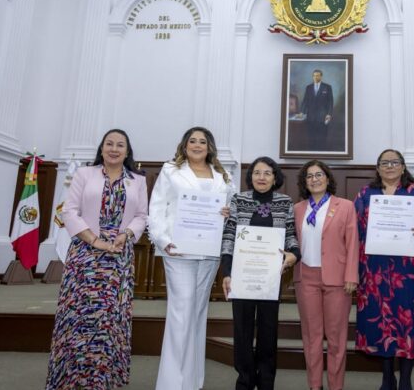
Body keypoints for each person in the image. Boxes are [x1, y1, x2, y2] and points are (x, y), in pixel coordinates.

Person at [46, 129, 148, 389]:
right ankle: (71, 378)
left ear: (127, 151)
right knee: (79, 316)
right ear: (102, 148)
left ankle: (103, 379)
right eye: (109, 144)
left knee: (109, 319)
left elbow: (141, 216)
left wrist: (126, 234)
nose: (114, 149)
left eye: (120, 145)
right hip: (85, 254)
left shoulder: (137, 180)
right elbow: (69, 211)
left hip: (118, 257)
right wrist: (94, 240)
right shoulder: (84, 174)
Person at [148, 127, 234, 390]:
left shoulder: (223, 175)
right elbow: (157, 206)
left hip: (208, 252)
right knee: (180, 312)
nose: (197, 145)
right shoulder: (170, 170)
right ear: (184, 145)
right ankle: (171, 384)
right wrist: (163, 240)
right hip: (178, 250)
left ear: (210, 147)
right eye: (192, 141)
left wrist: (227, 212)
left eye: (203, 141)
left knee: (197, 314)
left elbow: (230, 210)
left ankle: (193, 382)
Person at [354, 149, 414, 390]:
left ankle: (406, 379)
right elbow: (354, 228)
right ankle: (387, 376)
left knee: (408, 319)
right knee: (381, 320)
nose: (390, 166)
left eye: (395, 162)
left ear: (403, 167)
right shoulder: (365, 193)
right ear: (377, 168)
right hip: (374, 268)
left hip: (407, 268)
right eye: (384, 163)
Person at [220, 156, 302, 390]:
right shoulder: (239, 200)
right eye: (257, 172)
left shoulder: (284, 202)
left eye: (267, 173)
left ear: (275, 177)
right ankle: (244, 381)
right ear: (250, 176)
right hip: (241, 275)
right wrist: (227, 272)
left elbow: (290, 234)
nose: (262, 177)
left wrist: (294, 253)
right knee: (242, 331)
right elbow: (229, 236)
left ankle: (266, 382)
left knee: (268, 331)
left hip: (270, 277)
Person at [293, 160, 359, 390]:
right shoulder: (298, 208)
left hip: (338, 279)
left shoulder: (345, 206)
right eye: (309, 176)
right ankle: (314, 385)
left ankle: (335, 385)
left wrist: (351, 275)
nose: (314, 179)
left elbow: (353, 244)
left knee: (336, 338)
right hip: (306, 278)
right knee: (311, 337)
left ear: (328, 179)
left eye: (318, 174)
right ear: (304, 182)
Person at [300, 69, 333, 151]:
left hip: (322, 117)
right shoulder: (308, 87)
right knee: (311, 138)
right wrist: (302, 112)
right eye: (314, 75)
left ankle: (321, 153)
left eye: (317, 75)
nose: (316, 77)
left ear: (321, 76)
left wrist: (329, 114)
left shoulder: (327, 87)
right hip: (310, 117)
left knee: (322, 138)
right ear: (312, 76)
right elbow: (305, 101)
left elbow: (330, 102)